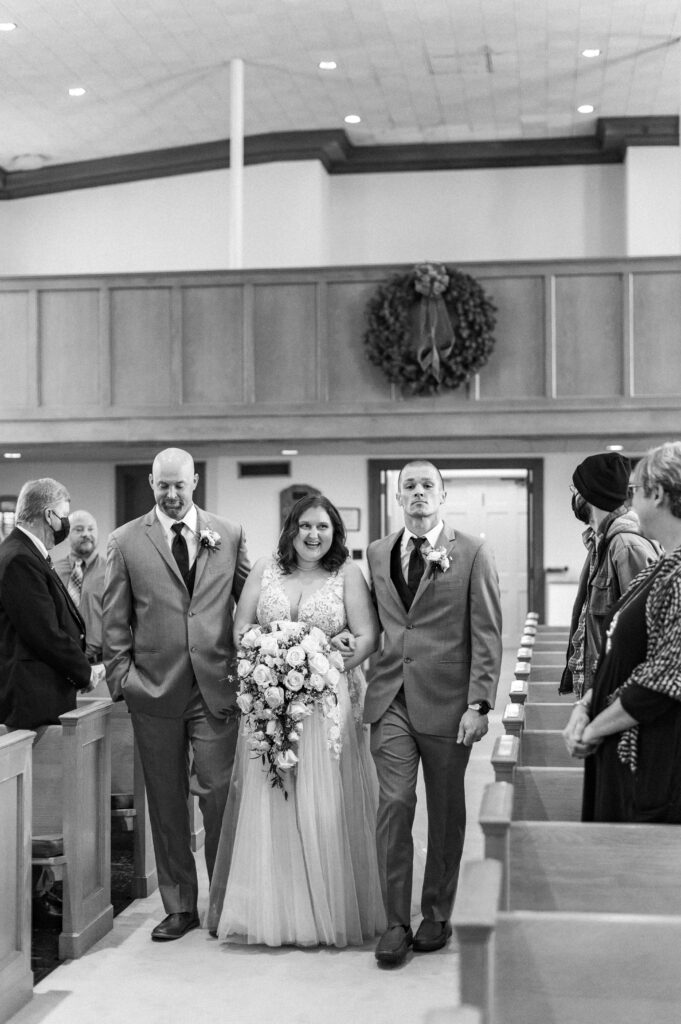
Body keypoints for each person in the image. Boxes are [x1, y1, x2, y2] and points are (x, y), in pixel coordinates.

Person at [207, 494, 386, 947]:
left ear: (335, 532)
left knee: (323, 802)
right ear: (291, 529)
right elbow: (241, 627)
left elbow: (367, 637)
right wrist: (272, 650)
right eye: (305, 525)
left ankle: (326, 904)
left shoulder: (347, 574)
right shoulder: (266, 569)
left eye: (323, 527)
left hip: (327, 705)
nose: (313, 534)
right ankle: (275, 908)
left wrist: (320, 662)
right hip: (270, 702)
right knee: (274, 800)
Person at [102, 448, 250, 942]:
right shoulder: (125, 541)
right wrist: (124, 681)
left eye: (179, 485)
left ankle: (224, 900)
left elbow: (250, 604)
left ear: (195, 483)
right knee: (166, 804)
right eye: (162, 485)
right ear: (151, 482)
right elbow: (114, 620)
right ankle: (179, 905)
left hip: (216, 690)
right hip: (154, 691)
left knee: (218, 797)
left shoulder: (228, 534)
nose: (170, 494)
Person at [365, 459, 502, 966]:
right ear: (398, 497)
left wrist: (479, 703)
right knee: (395, 805)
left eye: (427, 485)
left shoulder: (472, 551)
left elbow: (487, 632)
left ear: (442, 495)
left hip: (449, 703)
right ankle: (395, 920)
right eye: (409, 486)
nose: (418, 493)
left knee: (445, 812)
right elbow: (375, 624)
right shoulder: (378, 552)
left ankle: (437, 913)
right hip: (392, 698)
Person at [565, 442, 681, 823]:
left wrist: (595, 724)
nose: (627, 504)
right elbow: (626, 649)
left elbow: (664, 675)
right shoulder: (663, 567)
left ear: (659, 494)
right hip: (621, 739)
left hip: (654, 755)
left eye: (633, 492)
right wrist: (586, 704)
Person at [0, 477, 97, 927]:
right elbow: (44, 632)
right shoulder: (19, 559)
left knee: (41, 800)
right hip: (29, 698)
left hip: (43, 694)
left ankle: (39, 895)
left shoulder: (31, 555)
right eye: (65, 512)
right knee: (32, 805)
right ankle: (29, 900)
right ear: (49, 515)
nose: (67, 520)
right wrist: (83, 670)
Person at [560, 452, 659, 699]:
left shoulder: (626, 546)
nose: (574, 497)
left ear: (590, 495)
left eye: (576, 489)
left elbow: (646, 634)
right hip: (599, 689)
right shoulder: (601, 543)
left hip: (615, 694)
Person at [53, 509, 106, 666]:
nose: (86, 534)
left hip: (99, 667)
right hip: (59, 665)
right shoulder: (52, 571)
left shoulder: (113, 571)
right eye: (79, 529)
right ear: (67, 534)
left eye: (91, 529)